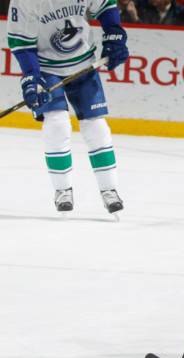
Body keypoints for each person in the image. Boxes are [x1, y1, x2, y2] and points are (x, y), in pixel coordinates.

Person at [7, 0, 128, 215]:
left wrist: (114, 32)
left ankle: (109, 189)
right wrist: (31, 76)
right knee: (56, 124)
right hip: (45, 68)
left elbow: (106, 6)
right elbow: (21, 43)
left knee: (97, 126)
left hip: (84, 62)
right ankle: (62, 190)